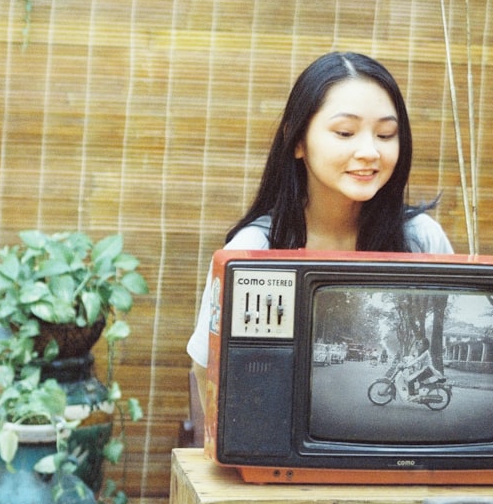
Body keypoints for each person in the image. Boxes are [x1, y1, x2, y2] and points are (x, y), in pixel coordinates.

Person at [187, 51, 454, 404]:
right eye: (345, 132)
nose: (370, 151)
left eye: (386, 134)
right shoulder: (253, 249)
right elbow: (207, 371)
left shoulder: (422, 238)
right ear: (297, 140)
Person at [400, 337, 441, 401]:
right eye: (419, 343)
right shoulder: (422, 352)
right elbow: (415, 359)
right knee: (412, 377)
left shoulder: (426, 353)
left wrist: (407, 366)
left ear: (426, 345)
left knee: (410, 379)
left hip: (427, 370)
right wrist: (407, 362)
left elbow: (418, 360)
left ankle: (412, 396)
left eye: (421, 344)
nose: (419, 345)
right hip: (424, 369)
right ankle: (414, 393)